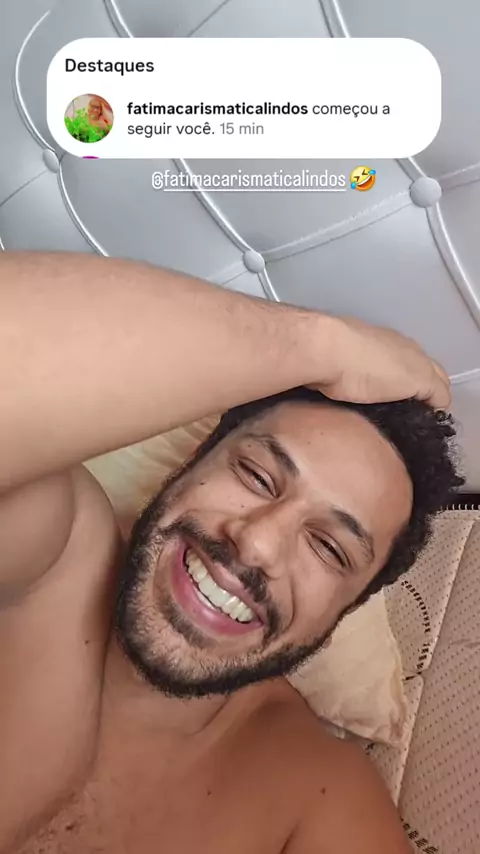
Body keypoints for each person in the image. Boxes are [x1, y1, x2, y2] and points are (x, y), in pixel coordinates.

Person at [0, 251, 460, 854]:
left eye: (328, 547)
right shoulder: (51, 551)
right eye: (257, 475)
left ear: (344, 612)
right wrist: (324, 345)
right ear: (193, 464)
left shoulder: (320, 797)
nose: (259, 541)